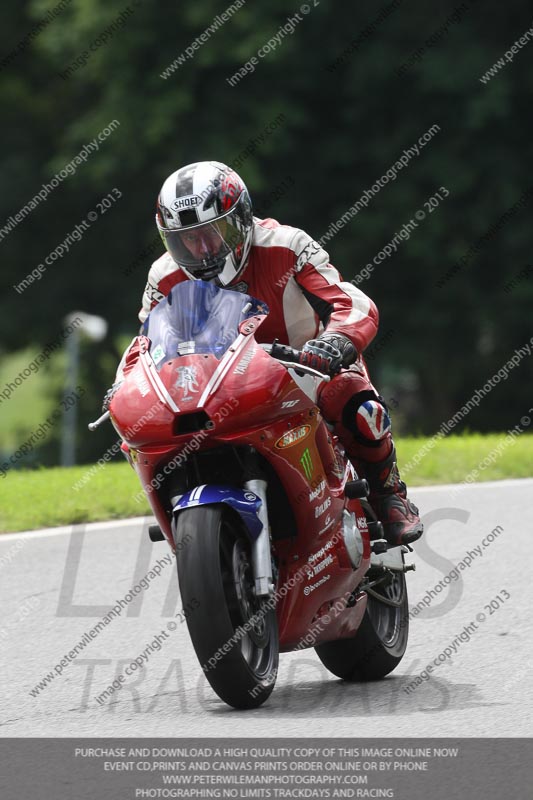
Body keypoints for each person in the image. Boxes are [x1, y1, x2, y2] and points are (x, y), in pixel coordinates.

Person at [136, 160, 423, 546]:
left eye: (212, 233)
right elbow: (146, 344)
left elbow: (349, 301)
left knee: (358, 406)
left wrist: (336, 340)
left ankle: (389, 496)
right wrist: (129, 382)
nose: (202, 249)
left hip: (307, 367)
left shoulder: (287, 245)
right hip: (219, 386)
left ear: (239, 220)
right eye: (188, 238)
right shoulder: (163, 276)